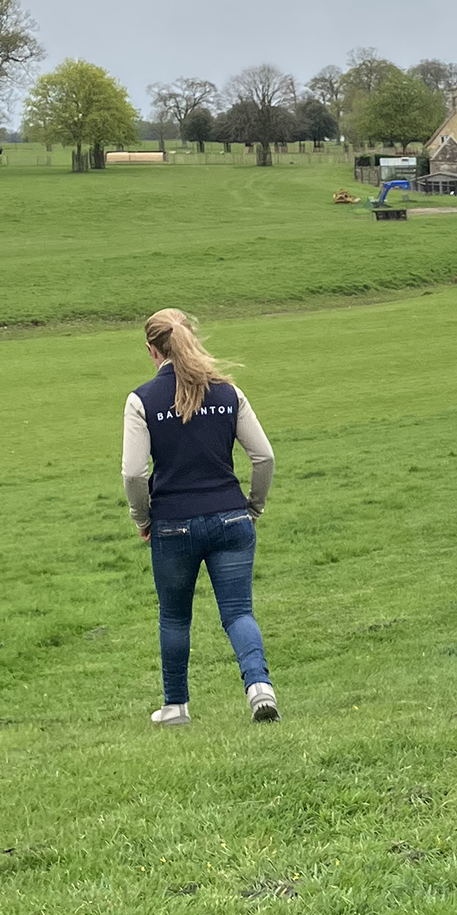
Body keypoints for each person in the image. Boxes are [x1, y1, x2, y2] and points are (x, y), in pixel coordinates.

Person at [121, 309, 279, 726]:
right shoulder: (229, 392)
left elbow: (134, 474)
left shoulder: (141, 401)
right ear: (190, 337)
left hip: (172, 524)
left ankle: (176, 707)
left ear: (152, 350)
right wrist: (253, 507)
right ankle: (259, 687)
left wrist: (143, 518)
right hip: (230, 518)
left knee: (175, 615)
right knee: (239, 613)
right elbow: (263, 457)